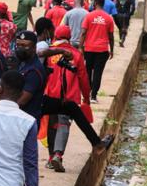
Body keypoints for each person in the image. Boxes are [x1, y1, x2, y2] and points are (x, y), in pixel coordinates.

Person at [43, 25, 114, 172]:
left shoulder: (49, 52)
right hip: (68, 95)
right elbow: (83, 79)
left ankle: (51, 158)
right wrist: (86, 98)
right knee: (63, 124)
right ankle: (58, 155)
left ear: (55, 36)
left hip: (50, 94)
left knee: (52, 125)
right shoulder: (76, 54)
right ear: (69, 38)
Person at [80, 0, 115, 103]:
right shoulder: (108, 18)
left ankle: (87, 93)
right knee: (98, 73)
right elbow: (111, 36)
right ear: (103, 4)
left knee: (88, 71)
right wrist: (112, 50)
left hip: (89, 49)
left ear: (95, 3)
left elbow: (83, 33)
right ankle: (94, 96)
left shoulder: (89, 16)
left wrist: (81, 47)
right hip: (102, 50)